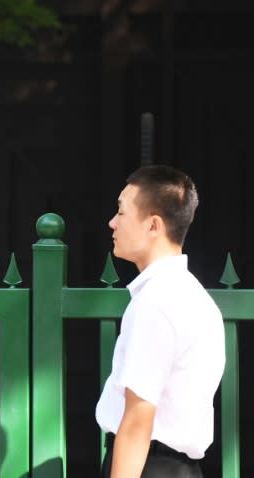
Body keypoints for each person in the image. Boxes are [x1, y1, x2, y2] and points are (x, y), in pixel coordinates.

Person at [95, 165, 225, 478]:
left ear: (153, 225)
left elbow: (138, 421)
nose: (112, 222)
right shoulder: (195, 297)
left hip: (147, 467)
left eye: (121, 212)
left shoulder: (156, 302)